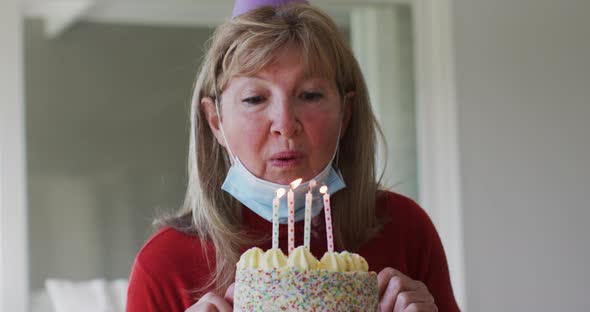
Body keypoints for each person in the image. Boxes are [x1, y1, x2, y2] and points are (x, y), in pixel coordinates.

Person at [126, 1, 460, 311]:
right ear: (215, 121)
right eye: (255, 98)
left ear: (345, 114)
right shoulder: (165, 265)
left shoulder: (405, 230)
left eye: (310, 94)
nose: (285, 125)